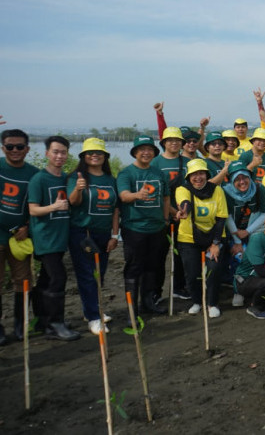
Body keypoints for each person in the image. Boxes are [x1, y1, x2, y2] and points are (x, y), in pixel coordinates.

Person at [28, 135, 81, 340]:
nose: (59, 156)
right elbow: (33, 210)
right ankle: (55, 324)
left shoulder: (66, 178)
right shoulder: (39, 179)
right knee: (58, 278)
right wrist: (55, 207)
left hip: (61, 237)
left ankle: (42, 320)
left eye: (63, 152)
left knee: (46, 279)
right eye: (55, 152)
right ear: (47, 153)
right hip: (45, 237)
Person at [67, 138, 120, 335]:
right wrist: (78, 188)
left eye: (99, 152)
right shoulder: (76, 177)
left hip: (104, 233)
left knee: (100, 274)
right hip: (82, 233)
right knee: (87, 275)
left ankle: (94, 309)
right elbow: (73, 202)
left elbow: (115, 210)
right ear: (83, 156)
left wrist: (115, 235)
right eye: (90, 153)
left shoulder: (110, 179)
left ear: (105, 156)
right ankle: (93, 317)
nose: (94, 155)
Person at [117, 135, 170, 316]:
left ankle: (148, 302)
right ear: (135, 153)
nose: (146, 153)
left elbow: (165, 197)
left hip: (157, 228)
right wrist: (136, 195)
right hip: (134, 228)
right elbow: (123, 196)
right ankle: (132, 308)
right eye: (142, 150)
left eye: (149, 150)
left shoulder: (158, 173)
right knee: (134, 267)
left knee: (152, 266)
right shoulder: (127, 173)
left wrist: (165, 219)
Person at [174, 159, 228, 319]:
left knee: (213, 269)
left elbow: (221, 219)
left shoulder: (217, 191)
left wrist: (216, 244)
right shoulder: (182, 189)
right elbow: (185, 203)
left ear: (206, 174)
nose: (198, 177)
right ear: (188, 177)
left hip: (214, 236)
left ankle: (212, 303)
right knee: (192, 272)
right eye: (194, 174)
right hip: (189, 238)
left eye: (201, 173)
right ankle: (197, 301)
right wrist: (184, 211)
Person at [0, 129, 39, 344]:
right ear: (3, 147)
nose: (15, 151)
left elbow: (37, 205)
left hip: (19, 237)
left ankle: (20, 325)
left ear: (27, 149)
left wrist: (28, 227)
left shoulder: (33, 173)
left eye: (20, 147)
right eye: (10, 147)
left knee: (23, 282)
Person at [222, 161, 265, 306]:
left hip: (253, 229)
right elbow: (226, 216)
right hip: (232, 231)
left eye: (245, 178)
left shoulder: (259, 189)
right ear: (231, 180)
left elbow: (264, 213)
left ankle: (254, 288)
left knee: (256, 258)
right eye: (237, 179)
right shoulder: (225, 192)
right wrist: (237, 240)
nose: (242, 182)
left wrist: (248, 232)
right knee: (238, 258)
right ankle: (238, 290)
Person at [152, 127, 190, 301]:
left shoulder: (188, 161)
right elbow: (155, 193)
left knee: (181, 253)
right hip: (163, 217)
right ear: (163, 143)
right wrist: (173, 212)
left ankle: (179, 287)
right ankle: (156, 291)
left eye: (178, 140)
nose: (174, 143)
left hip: (185, 215)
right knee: (159, 256)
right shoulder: (155, 163)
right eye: (170, 140)